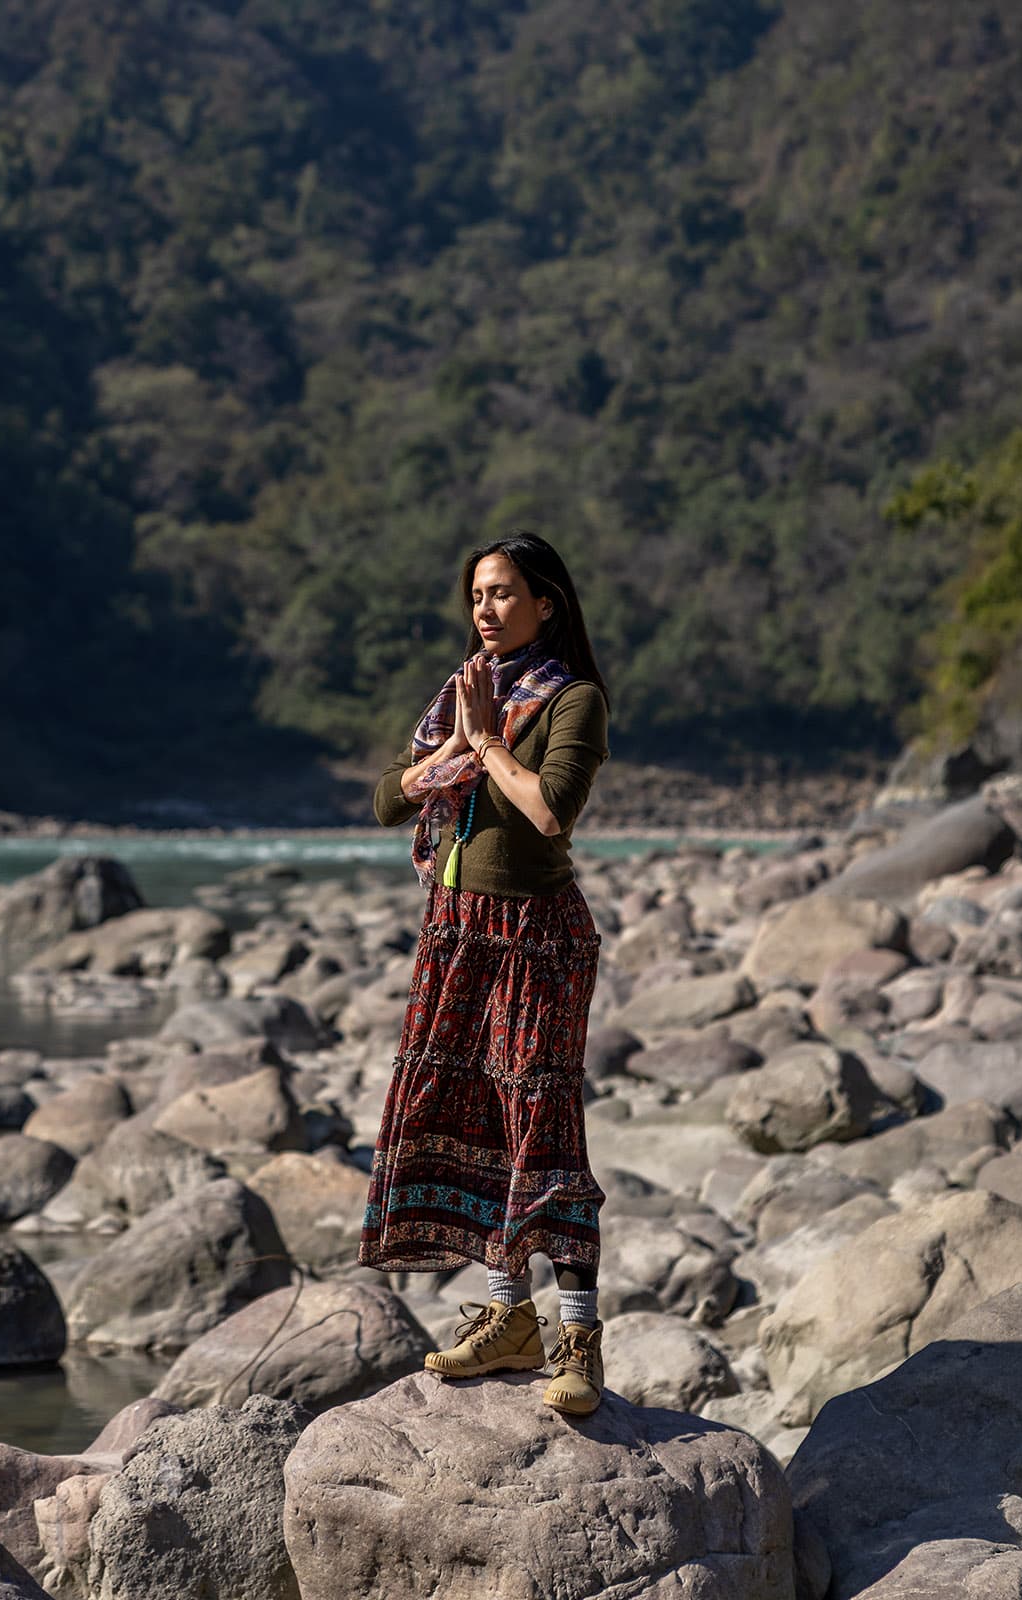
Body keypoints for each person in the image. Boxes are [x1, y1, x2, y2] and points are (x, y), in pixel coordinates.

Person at [357, 532, 613, 1416]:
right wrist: (450, 751)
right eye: (476, 597)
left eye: (503, 594)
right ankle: (511, 1321)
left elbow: (548, 809)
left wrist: (486, 743)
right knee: (475, 1121)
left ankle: (579, 1339)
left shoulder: (573, 700)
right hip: (455, 929)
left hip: (536, 936)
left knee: (543, 1127)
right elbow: (391, 797)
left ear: (547, 603)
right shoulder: (461, 693)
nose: (486, 611)